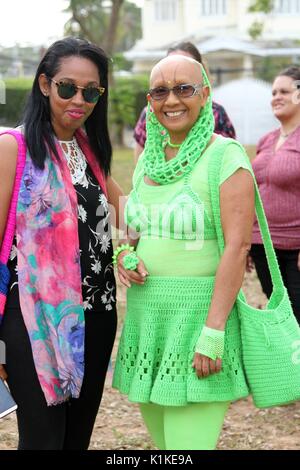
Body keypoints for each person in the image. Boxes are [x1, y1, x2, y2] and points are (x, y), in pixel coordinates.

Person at [112, 54, 255, 450]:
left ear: (205, 94)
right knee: (164, 447)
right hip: (149, 319)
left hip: (197, 321)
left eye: (183, 88)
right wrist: (124, 254)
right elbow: (133, 224)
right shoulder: (148, 160)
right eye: (160, 91)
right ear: (149, 99)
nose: (171, 100)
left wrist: (213, 332)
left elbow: (239, 246)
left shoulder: (225, 156)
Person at [0, 37, 122, 450]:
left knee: (75, 441)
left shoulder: (90, 151)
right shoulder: (11, 148)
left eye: (92, 92)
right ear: (45, 85)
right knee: (43, 441)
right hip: (34, 322)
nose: (80, 100)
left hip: (98, 316)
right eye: (68, 87)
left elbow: (132, 214)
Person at [249, 66, 300, 324]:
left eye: (284, 91)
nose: (276, 97)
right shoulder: (266, 140)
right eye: (273, 92)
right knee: (279, 316)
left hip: (294, 247)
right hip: (263, 246)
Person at [133, 41, 236, 164]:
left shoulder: (217, 115)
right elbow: (140, 162)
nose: (171, 101)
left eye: (183, 88)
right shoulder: (150, 114)